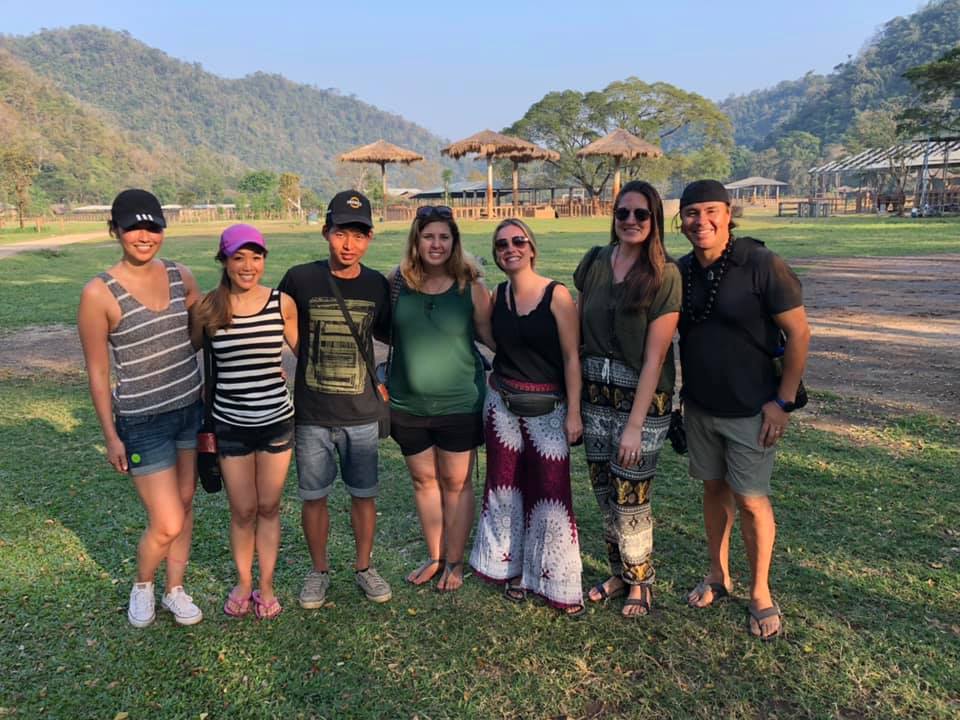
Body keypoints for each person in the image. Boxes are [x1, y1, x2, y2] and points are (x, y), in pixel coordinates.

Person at [676, 179, 810, 640]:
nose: (702, 221)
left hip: (753, 409)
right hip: (700, 406)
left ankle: (760, 592)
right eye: (692, 213)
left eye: (711, 211)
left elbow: (800, 335)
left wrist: (783, 402)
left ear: (728, 213)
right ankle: (717, 574)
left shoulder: (761, 263)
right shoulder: (682, 272)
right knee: (714, 490)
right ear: (681, 220)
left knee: (751, 499)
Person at [77, 189, 204, 627]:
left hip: (190, 409)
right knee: (166, 520)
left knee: (185, 505)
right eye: (134, 227)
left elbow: (201, 333)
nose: (144, 236)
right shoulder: (99, 293)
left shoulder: (180, 276)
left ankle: (175, 589)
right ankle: (144, 584)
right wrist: (111, 435)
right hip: (142, 421)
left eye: (153, 227)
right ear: (115, 230)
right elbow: (98, 374)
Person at [278, 190, 393, 607]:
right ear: (326, 232)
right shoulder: (299, 278)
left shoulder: (377, 284)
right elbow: (280, 320)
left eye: (359, 236)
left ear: (370, 239)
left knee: (364, 494)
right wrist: (296, 354)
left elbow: (388, 333)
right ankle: (318, 570)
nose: (349, 244)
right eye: (341, 233)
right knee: (314, 496)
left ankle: (364, 567)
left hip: (361, 413)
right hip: (312, 414)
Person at [573, 180, 681, 618]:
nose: (631, 221)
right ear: (613, 217)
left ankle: (641, 582)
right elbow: (577, 333)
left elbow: (656, 358)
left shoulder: (665, 274)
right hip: (596, 392)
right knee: (603, 489)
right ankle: (618, 572)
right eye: (623, 213)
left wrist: (635, 425)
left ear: (654, 219)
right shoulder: (596, 262)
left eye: (641, 214)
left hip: (643, 399)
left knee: (631, 491)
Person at [469, 218, 585, 616]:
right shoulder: (496, 295)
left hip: (548, 409)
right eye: (502, 244)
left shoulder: (557, 295)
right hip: (502, 404)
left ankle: (557, 578)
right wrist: (473, 279)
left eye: (518, 241)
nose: (510, 248)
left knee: (551, 494)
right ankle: (513, 568)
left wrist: (573, 412)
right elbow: (489, 338)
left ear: (532, 248)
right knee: (505, 489)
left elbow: (572, 357)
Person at [190, 224, 298, 620]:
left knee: (269, 506)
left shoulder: (281, 303)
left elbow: (303, 352)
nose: (249, 266)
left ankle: (266, 586)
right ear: (224, 261)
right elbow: (188, 353)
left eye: (256, 256)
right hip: (230, 422)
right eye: (239, 257)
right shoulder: (208, 308)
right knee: (243, 510)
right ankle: (244, 582)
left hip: (276, 420)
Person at [388, 206, 494, 591]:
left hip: (459, 403)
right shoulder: (397, 283)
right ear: (416, 240)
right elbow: (381, 331)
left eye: (444, 237)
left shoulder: (472, 288)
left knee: (456, 483)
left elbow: (492, 339)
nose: (436, 244)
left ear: (454, 242)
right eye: (428, 236)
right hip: (407, 403)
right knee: (423, 481)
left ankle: (454, 562)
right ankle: (434, 557)